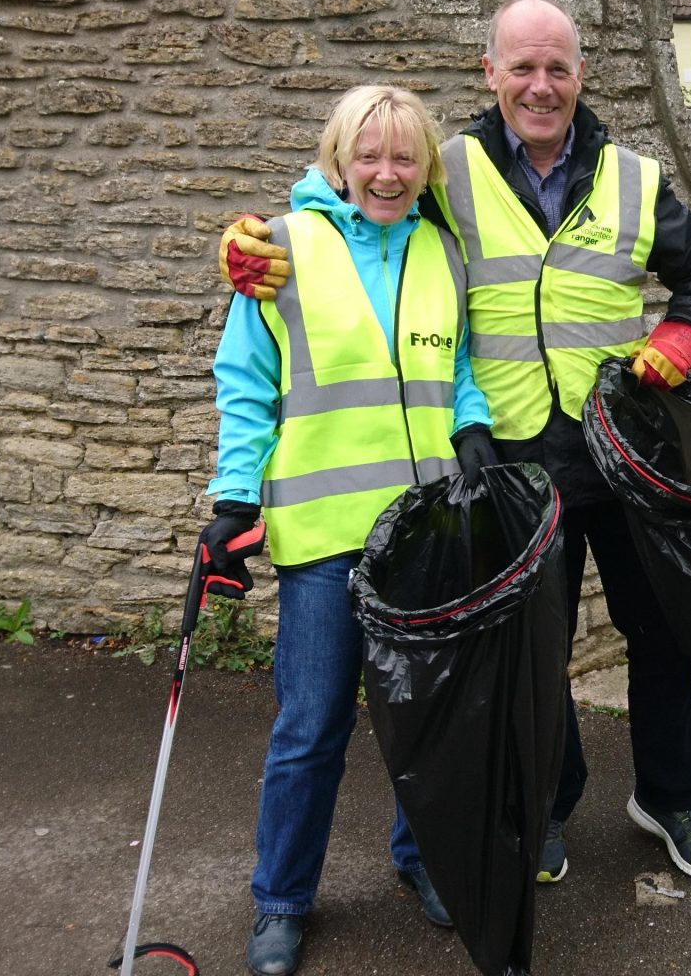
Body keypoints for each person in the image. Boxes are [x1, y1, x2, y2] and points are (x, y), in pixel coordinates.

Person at [218, 0, 691, 887]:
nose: (541, 86)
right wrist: (267, 245)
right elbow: (357, 202)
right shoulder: (445, 170)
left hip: (624, 449)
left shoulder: (632, 178)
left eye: (559, 69)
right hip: (514, 458)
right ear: (489, 72)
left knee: (662, 635)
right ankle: (545, 806)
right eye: (522, 67)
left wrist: (680, 338)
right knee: (535, 650)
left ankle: (670, 797)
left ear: (580, 76)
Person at [200, 85, 499, 976]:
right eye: (368, 155)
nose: (386, 172)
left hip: (424, 531)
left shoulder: (442, 251)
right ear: (337, 160)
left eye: (405, 158)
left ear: (424, 169)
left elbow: (460, 368)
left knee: (425, 722)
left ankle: (424, 862)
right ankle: (282, 901)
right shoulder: (280, 251)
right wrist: (233, 499)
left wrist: (473, 426)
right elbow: (245, 383)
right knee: (312, 727)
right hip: (326, 536)